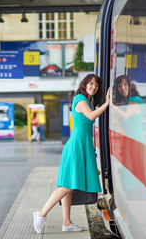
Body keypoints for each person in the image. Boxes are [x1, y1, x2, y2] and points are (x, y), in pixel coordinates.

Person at [33, 74, 110, 234]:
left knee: (69, 185)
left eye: (96, 84)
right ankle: (40, 215)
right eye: (90, 83)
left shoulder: (88, 101)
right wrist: (108, 103)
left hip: (82, 146)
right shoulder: (80, 99)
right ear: (84, 84)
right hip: (76, 146)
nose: (93, 86)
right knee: (67, 186)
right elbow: (91, 116)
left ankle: (67, 223)